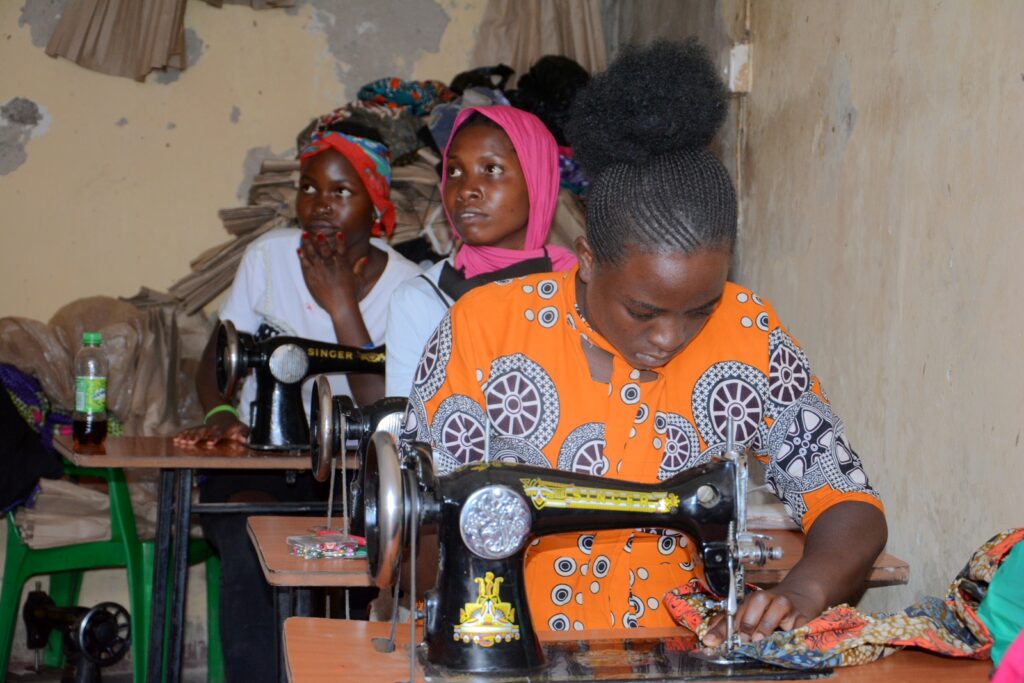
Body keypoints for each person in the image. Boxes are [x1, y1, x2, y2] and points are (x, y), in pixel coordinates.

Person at [402, 39, 887, 645]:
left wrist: (803, 591)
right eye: (643, 311)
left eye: (698, 311)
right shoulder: (485, 329)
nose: (669, 338)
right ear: (585, 260)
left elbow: (846, 500)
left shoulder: (749, 331)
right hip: (514, 647)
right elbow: (422, 520)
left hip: (686, 652)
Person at [173, 118, 420, 681]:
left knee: (348, 569)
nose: (320, 205)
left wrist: (341, 307)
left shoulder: (407, 286)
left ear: (375, 199)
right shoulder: (268, 257)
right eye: (308, 188)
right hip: (258, 465)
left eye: (341, 191)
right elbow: (219, 357)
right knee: (249, 547)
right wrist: (219, 412)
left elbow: (387, 409)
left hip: (353, 474)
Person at [384, 105, 576, 399]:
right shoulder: (422, 300)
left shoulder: (579, 289)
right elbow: (408, 430)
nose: (465, 190)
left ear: (538, 178)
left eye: (492, 169)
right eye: (455, 171)